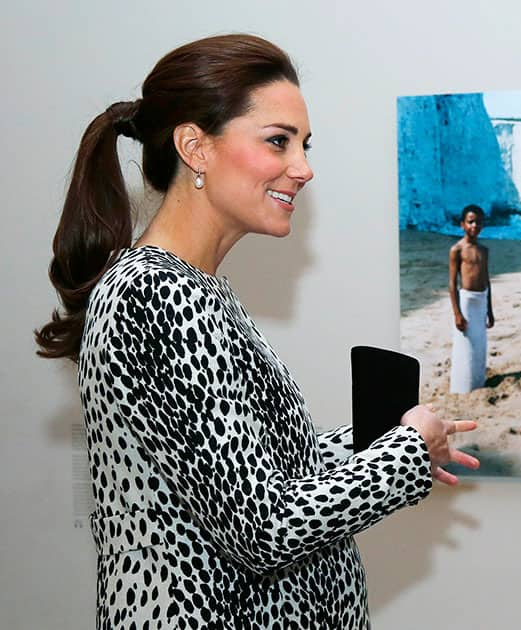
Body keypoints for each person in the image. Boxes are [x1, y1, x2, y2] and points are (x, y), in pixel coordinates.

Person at [34, 34, 478, 629]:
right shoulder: (157, 294)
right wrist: (403, 456)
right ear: (195, 147)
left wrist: (379, 440)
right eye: (278, 141)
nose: (304, 168)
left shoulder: (194, 289)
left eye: (304, 144)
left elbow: (250, 475)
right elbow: (262, 529)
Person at [449, 204, 495, 393]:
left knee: (479, 344)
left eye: (478, 222)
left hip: (481, 300)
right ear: (462, 224)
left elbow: (487, 279)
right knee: (465, 344)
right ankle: (463, 386)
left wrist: (490, 310)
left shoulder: (483, 250)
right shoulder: (457, 250)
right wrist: (457, 313)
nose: (474, 226)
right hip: (466, 301)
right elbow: (452, 284)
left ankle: (478, 382)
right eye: (470, 222)